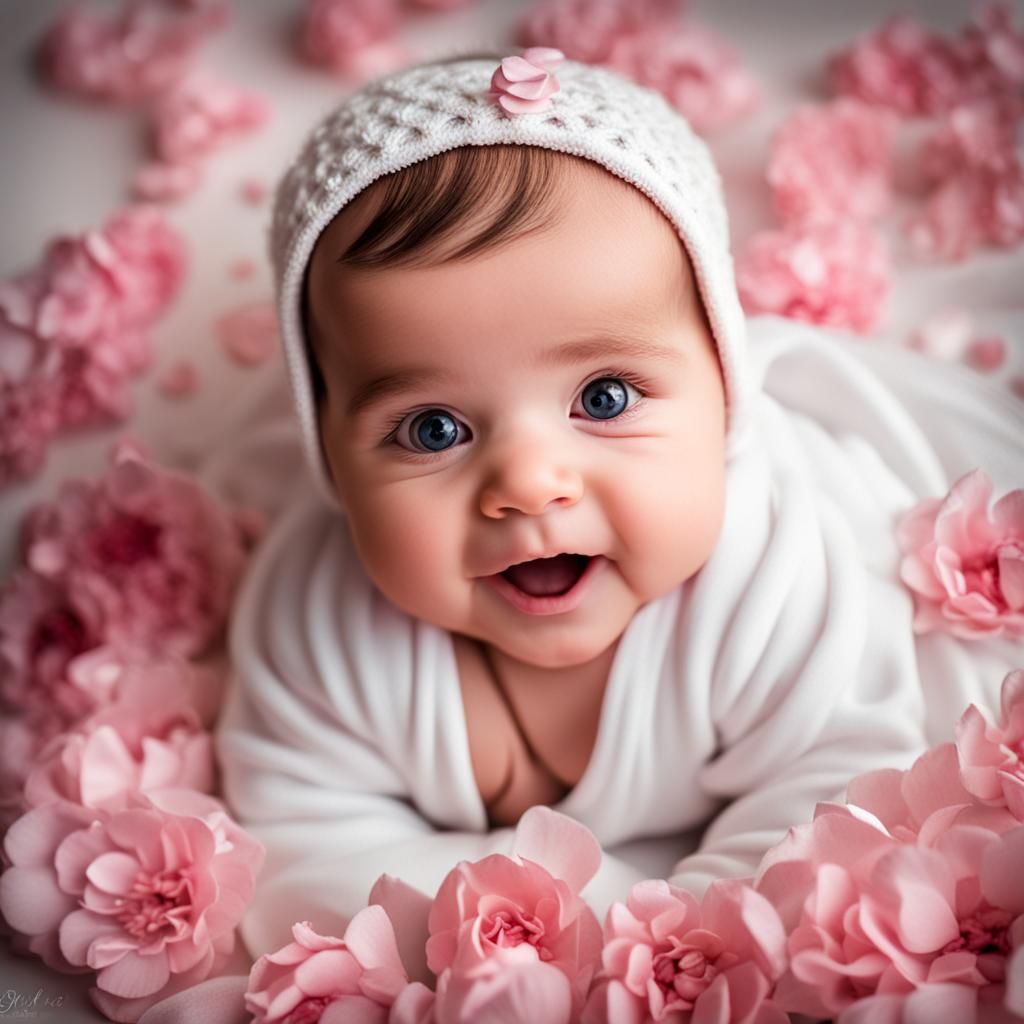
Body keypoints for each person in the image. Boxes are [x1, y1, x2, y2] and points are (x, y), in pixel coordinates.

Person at [213, 49, 1023, 959]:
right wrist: (527, 951)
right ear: (326, 450)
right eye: (433, 428)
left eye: (604, 398)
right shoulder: (319, 625)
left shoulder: (776, 571)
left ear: (723, 388)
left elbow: (838, 803)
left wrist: (664, 953)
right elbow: (302, 861)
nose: (528, 483)